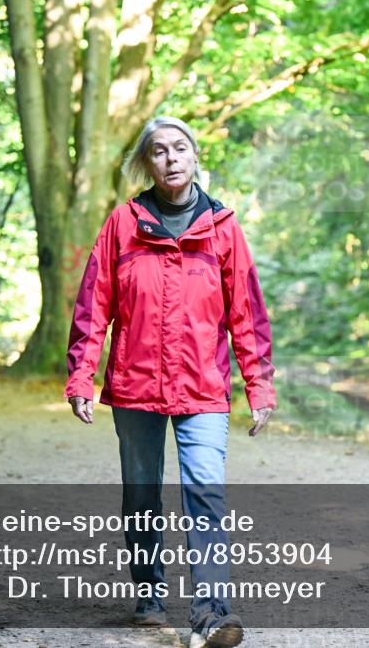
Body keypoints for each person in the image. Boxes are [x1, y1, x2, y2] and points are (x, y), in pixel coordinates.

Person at [65, 116, 276, 648]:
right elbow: (95, 305)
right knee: (142, 495)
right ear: (147, 163)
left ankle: (213, 614)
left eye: (180, 148)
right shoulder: (123, 224)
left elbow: (246, 314)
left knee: (204, 492)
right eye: (158, 151)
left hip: (202, 388)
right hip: (136, 386)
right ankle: (150, 597)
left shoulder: (223, 227)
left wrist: (259, 386)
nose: (171, 158)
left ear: (195, 155)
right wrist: (81, 377)